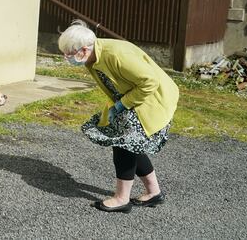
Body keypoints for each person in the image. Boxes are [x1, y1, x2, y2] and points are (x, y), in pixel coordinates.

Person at [58, 20, 179, 213]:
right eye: (66, 54)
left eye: (71, 54)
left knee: (124, 145)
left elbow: (150, 82)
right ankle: (154, 193)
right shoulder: (93, 57)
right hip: (133, 101)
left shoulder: (115, 54)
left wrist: (123, 104)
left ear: (84, 49)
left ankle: (122, 199)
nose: (68, 58)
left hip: (153, 100)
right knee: (132, 143)